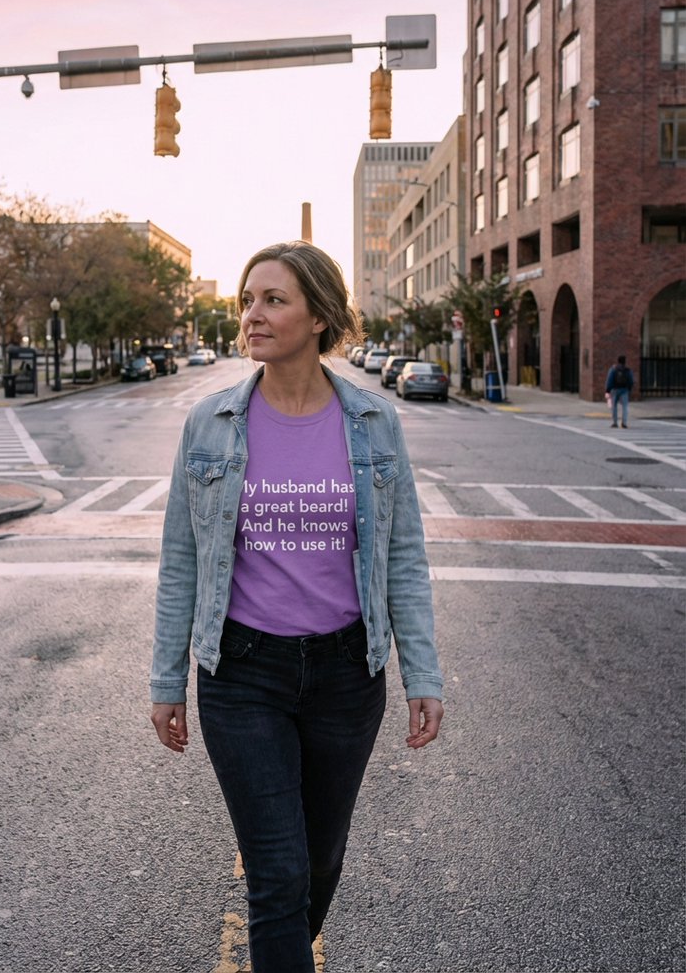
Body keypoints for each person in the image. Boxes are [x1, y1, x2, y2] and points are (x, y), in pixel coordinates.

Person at [150, 241, 443, 972]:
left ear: (319, 317)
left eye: (272, 300)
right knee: (276, 873)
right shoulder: (211, 423)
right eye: (247, 299)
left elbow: (402, 556)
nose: (251, 314)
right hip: (243, 673)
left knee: (319, 863)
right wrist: (165, 681)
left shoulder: (374, 424)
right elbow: (181, 559)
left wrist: (423, 675)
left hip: (347, 674)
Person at [605, 354, 633, 429]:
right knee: (625, 406)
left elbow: (609, 380)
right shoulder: (627, 370)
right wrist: (629, 389)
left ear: (618, 361)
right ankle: (624, 422)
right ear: (624, 361)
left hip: (614, 389)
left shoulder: (613, 369)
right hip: (624, 390)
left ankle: (615, 423)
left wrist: (607, 390)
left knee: (614, 406)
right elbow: (631, 381)